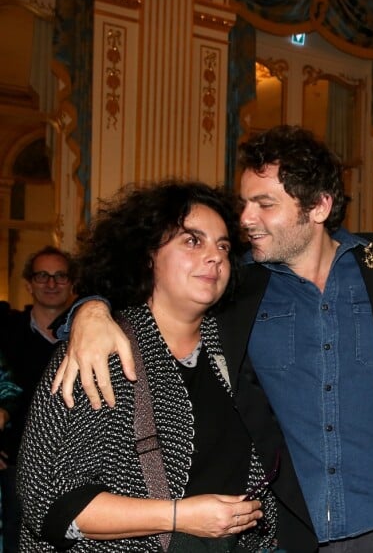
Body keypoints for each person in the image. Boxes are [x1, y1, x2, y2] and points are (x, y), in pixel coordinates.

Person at [50, 130, 373, 552]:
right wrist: (89, 309)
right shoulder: (237, 286)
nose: (245, 220)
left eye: (264, 204)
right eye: (244, 203)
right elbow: (157, 285)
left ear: (320, 206)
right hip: (288, 535)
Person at [17, 181, 317, 552]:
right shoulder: (102, 351)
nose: (215, 256)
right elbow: (50, 505)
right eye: (192, 241)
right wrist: (178, 516)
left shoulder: (236, 349)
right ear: (148, 255)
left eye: (223, 246)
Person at [0, 245, 76, 553]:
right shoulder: (5, 332)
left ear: (73, 284)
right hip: (15, 466)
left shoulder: (87, 337)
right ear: (29, 284)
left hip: (72, 466)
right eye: (42, 275)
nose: (51, 283)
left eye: (60, 276)